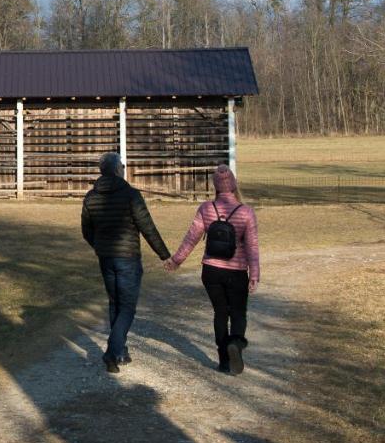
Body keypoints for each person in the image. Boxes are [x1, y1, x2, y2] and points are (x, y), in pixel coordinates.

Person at [164, 165, 259, 375]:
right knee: (238, 313)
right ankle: (235, 343)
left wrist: (176, 260)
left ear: (215, 186)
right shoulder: (246, 212)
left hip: (211, 271)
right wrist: (255, 274)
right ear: (233, 185)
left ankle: (224, 360)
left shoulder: (206, 209)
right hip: (236, 272)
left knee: (220, 313)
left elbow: (191, 238)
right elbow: (251, 246)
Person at [82, 152, 172, 373]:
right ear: (116, 170)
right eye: (121, 166)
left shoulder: (91, 196)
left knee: (115, 304)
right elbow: (147, 227)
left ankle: (120, 352)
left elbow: (87, 231)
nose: (123, 169)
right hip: (128, 258)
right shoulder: (130, 195)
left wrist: (100, 247)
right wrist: (164, 255)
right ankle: (113, 351)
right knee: (127, 307)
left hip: (106, 258)